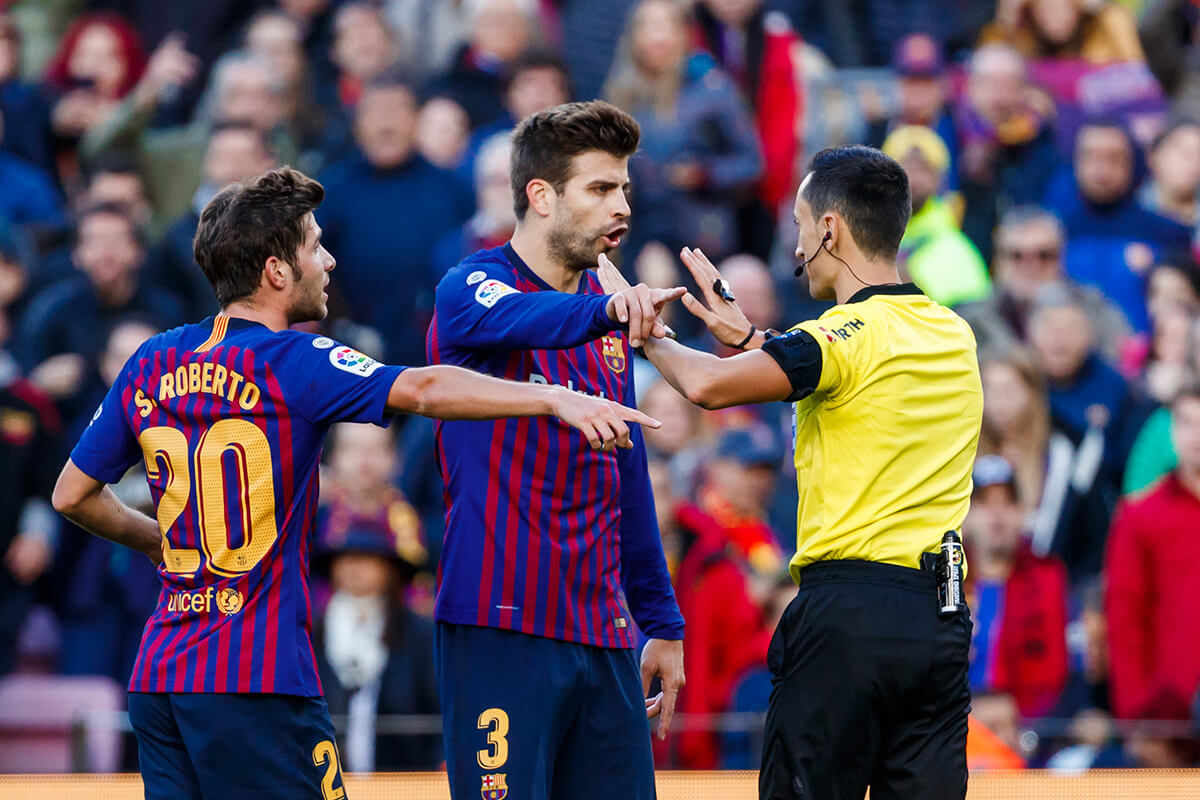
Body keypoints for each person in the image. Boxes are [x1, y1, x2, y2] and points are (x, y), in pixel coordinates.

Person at [50, 166, 660, 800]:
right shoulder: (296, 360)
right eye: (315, 245)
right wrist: (553, 399)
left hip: (161, 676)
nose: (330, 260)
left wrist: (161, 540)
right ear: (277, 272)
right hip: (259, 680)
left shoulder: (152, 358)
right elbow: (423, 386)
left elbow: (72, 494)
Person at [600, 145, 983, 799]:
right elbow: (854, 377)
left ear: (830, 229)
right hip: (937, 623)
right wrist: (755, 341)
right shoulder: (952, 333)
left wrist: (635, 316)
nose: (797, 246)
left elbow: (706, 386)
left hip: (847, 617)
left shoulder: (841, 335)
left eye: (801, 225)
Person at [427, 101, 686, 800]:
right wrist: (609, 308)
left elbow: (629, 481)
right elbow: (520, 314)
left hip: (602, 636)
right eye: (600, 189)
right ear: (540, 197)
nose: (621, 206)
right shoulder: (473, 288)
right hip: (499, 630)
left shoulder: (606, 326)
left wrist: (660, 622)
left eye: (625, 189)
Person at [1105, 384, 1200, 722]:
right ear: (1172, 430)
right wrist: (1136, 715)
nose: (1196, 436)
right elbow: (1124, 615)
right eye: (1186, 423)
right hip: (1168, 717)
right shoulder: (1139, 516)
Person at [962, 455, 1069, 718]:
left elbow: (1056, 670)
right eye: (984, 504)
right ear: (967, 514)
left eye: (1007, 503)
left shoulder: (1048, 578)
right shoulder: (946, 581)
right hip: (958, 726)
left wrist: (1022, 721)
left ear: (1022, 512)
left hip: (1027, 729)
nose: (996, 516)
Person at [882, 124, 991, 307]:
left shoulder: (956, 250)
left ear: (940, 179)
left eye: (923, 170)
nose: (912, 179)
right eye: (902, 169)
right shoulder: (865, 237)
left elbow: (976, 322)